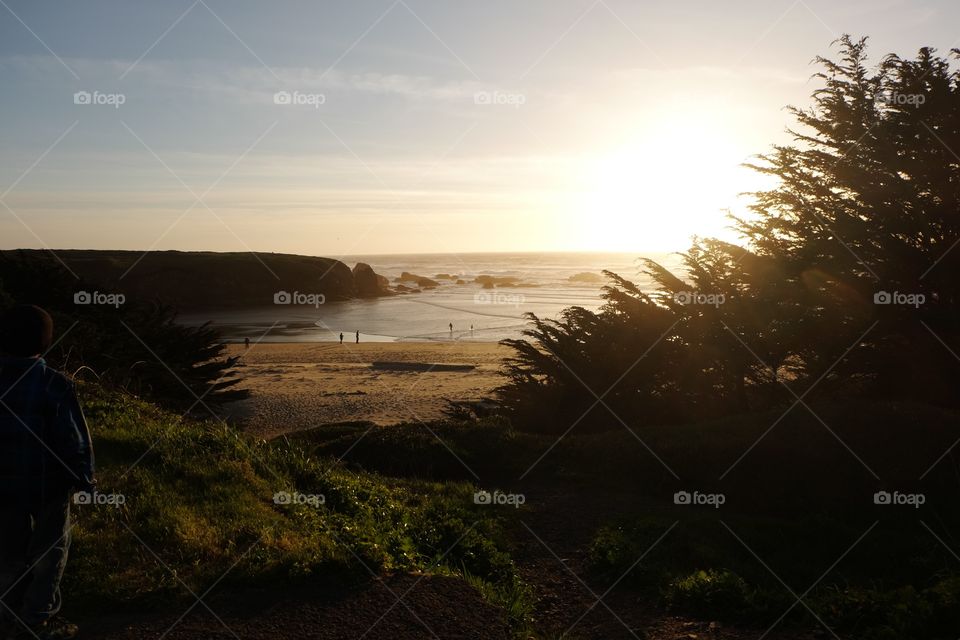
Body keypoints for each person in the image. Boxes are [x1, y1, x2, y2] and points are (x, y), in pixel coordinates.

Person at [0, 305, 94, 640]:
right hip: (48, 486)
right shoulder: (54, 384)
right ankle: (38, 619)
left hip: (5, 489)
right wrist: (85, 478)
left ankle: (8, 614)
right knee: (50, 551)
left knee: (9, 552)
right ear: (47, 342)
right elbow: (74, 438)